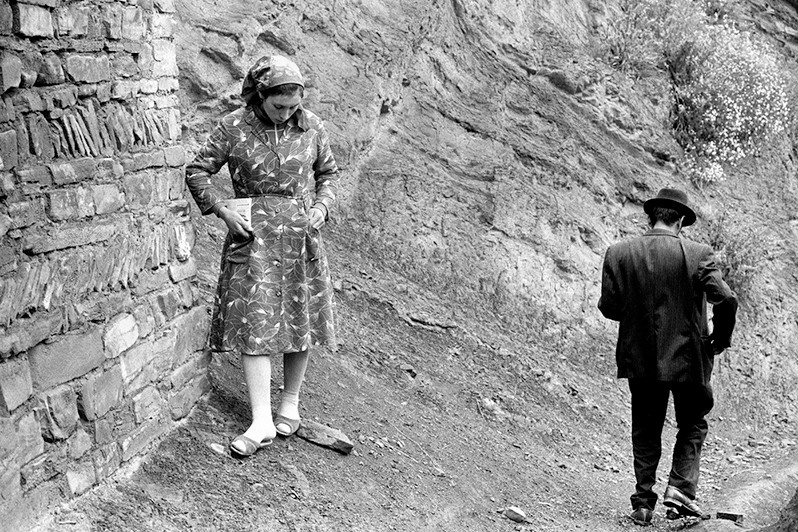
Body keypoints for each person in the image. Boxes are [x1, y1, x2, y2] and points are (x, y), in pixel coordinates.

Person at [185, 55, 339, 457]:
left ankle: (290, 404)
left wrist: (322, 207)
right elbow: (197, 171)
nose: (286, 114)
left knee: (298, 316)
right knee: (255, 323)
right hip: (253, 237)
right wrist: (222, 209)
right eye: (278, 106)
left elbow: (328, 175)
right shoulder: (233, 126)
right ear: (259, 95)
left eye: (293, 106)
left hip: (300, 236)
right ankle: (261, 420)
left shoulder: (312, 126)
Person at [598, 188, 738, 526]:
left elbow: (609, 307)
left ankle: (643, 503)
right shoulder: (698, 254)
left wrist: (639, 316)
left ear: (651, 217)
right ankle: (680, 489)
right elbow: (726, 299)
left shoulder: (619, 252)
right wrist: (719, 338)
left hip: (640, 354)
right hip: (690, 356)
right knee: (693, 422)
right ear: (681, 221)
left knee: (646, 427)